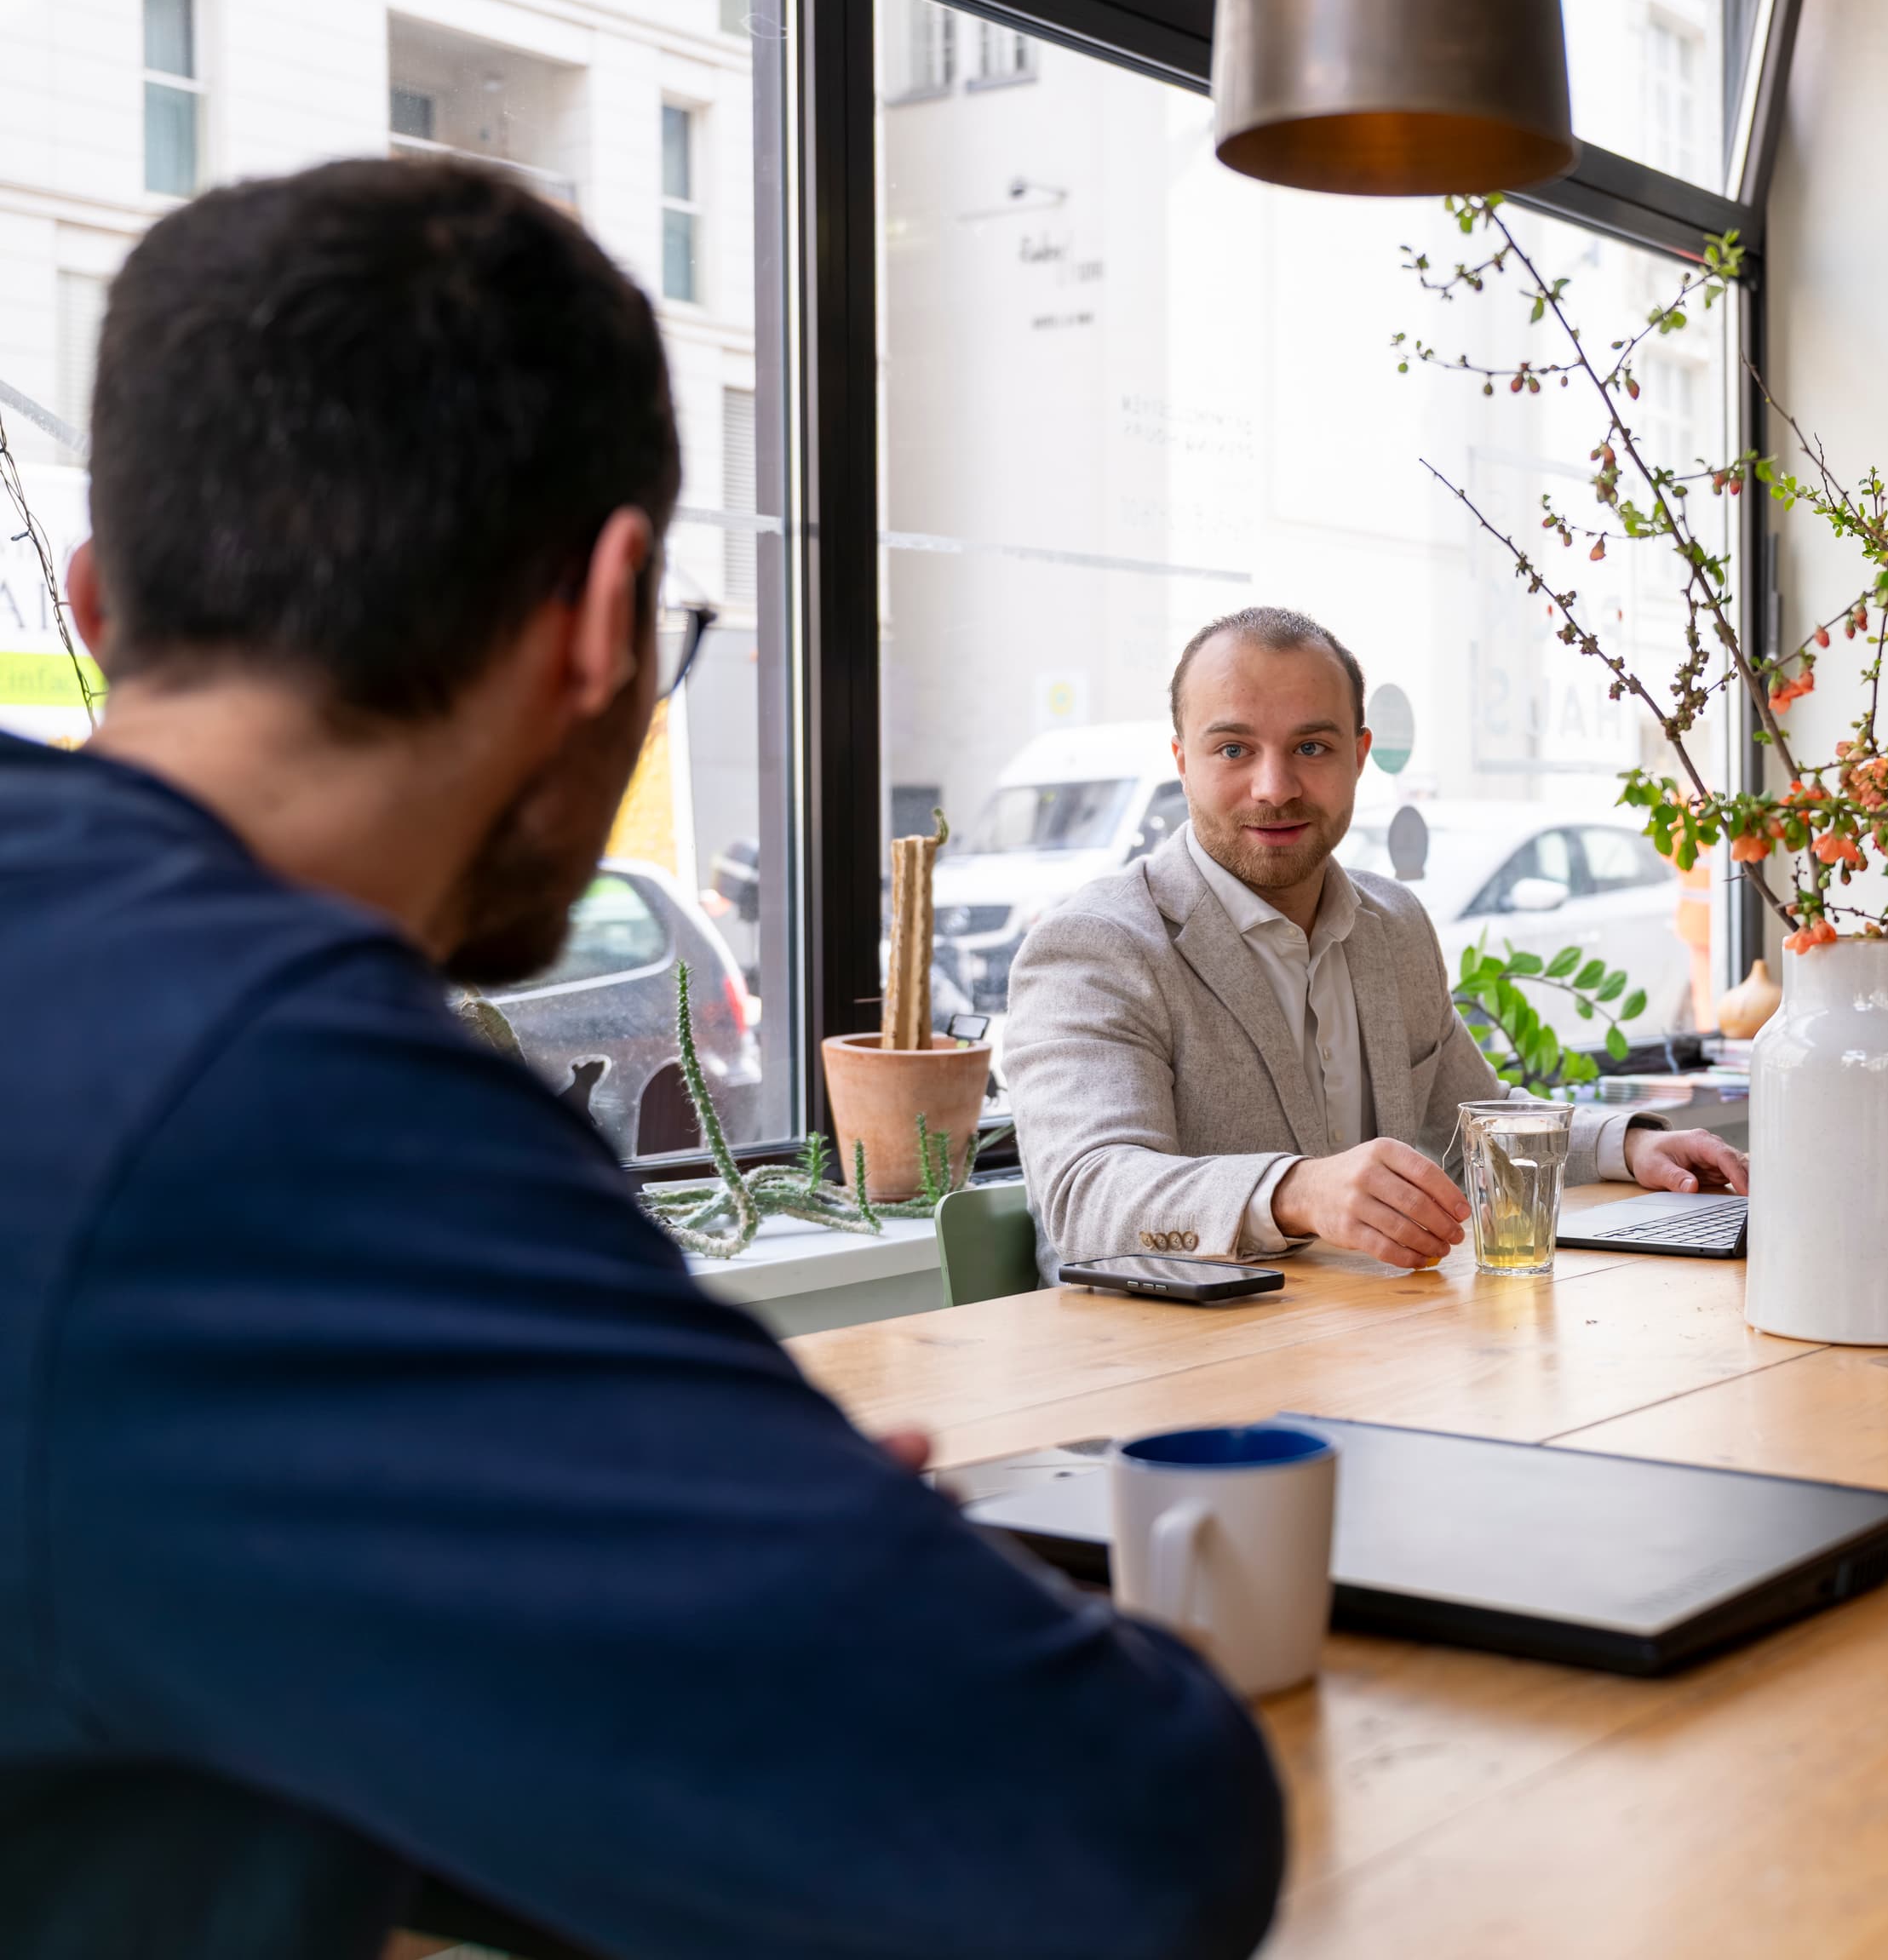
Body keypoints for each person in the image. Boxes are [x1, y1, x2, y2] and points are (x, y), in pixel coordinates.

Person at [0, 160, 1281, 1960]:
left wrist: (661, 1591)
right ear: (607, 613)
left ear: (99, 597)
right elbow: (1122, 1835)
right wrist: (837, 1581)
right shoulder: (278, 1102)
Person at [1005, 608, 1744, 1269]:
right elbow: (1087, 1198)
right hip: (1178, 1381)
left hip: (1378, 1349)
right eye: (1233, 750)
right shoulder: (1096, 945)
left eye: (1312, 748)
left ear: (1360, 756)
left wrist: (1630, 1146)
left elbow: (1471, 1124)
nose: (1275, 786)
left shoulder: (1392, 924)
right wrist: (1295, 1190)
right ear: (1181, 763)